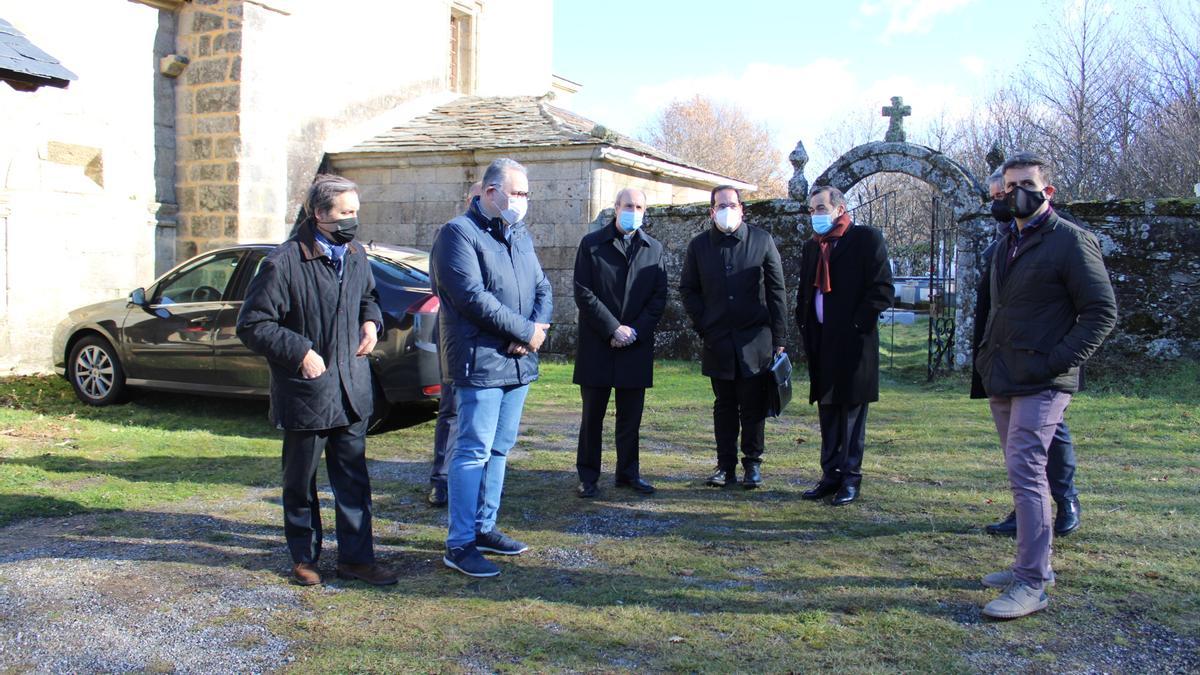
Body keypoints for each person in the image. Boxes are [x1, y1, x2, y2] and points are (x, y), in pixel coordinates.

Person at [237, 174, 398, 587]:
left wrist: (371, 322)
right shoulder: (283, 262)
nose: (352, 221)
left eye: (355, 213)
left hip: (351, 390)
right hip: (307, 392)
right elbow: (253, 324)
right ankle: (304, 558)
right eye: (345, 213)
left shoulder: (356, 253)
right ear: (318, 213)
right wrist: (300, 352)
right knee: (300, 482)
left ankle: (357, 560)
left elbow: (370, 297)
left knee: (353, 481)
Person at [975, 152, 1116, 619]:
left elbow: (1101, 313)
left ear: (1045, 191)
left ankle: (1033, 583)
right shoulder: (1005, 243)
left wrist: (1055, 363)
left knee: (1028, 470)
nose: (1009, 194)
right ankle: (1031, 566)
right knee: (1019, 473)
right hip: (1004, 374)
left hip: (1043, 379)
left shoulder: (1072, 242)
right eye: (1003, 187)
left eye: (1020, 185)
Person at [432, 158, 552, 578]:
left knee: (499, 449)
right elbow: (472, 298)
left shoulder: (519, 234)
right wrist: (524, 330)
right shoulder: (457, 235)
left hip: (518, 361)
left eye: (525, 194)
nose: (521, 201)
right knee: (472, 451)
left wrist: (535, 329)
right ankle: (460, 542)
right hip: (479, 361)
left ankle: (485, 527)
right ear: (489, 192)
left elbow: (542, 286)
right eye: (515, 193)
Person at [973, 170, 1081, 537]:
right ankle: (1026, 510)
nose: (1001, 201)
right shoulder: (1003, 240)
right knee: (1019, 449)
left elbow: (1094, 308)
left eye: (1006, 192)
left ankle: (1065, 500)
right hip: (1003, 356)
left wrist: (1056, 360)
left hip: (1042, 360)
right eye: (996, 195)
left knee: (1052, 435)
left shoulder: (1063, 237)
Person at [679, 185, 787, 489]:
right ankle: (724, 466)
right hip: (718, 339)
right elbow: (688, 289)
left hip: (755, 338)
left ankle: (753, 464)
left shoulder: (762, 240)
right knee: (724, 405)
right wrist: (704, 324)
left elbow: (777, 290)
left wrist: (780, 335)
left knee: (753, 405)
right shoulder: (699, 245)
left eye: (732, 204)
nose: (727, 209)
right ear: (712, 211)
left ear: (742, 209)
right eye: (720, 205)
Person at [794, 186, 894, 507]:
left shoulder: (866, 240)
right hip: (822, 342)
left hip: (854, 345)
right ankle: (830, 475)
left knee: (851, 413)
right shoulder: (814, 247)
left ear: (839, 208)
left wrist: (856, 325)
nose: (816, 215)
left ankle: (851, 478)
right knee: (827, 411)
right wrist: (805, 323)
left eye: (821, 208)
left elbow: (881, 290)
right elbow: (806, 291)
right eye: (812, 210)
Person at [572, 187, 668, 498]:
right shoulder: (592, 244)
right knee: (592, 418)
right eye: (629, 205)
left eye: (639, 206)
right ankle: (588, 476)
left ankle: (628, 473)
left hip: (635, 346)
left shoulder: (653, 249)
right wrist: (613, 329)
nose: (634, 211)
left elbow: (658, 297)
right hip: (598, 343)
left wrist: (634, 331)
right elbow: (583, 293)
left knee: (631, 418)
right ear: (616, 207)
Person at [427, 180, 484, 507]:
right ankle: (442, 479)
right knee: (451, 410)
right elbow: (441, 285)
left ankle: (478, 481)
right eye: (478, 198)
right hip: (457, 335)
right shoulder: (451, 234)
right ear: (469, 199)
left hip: (492, 339)